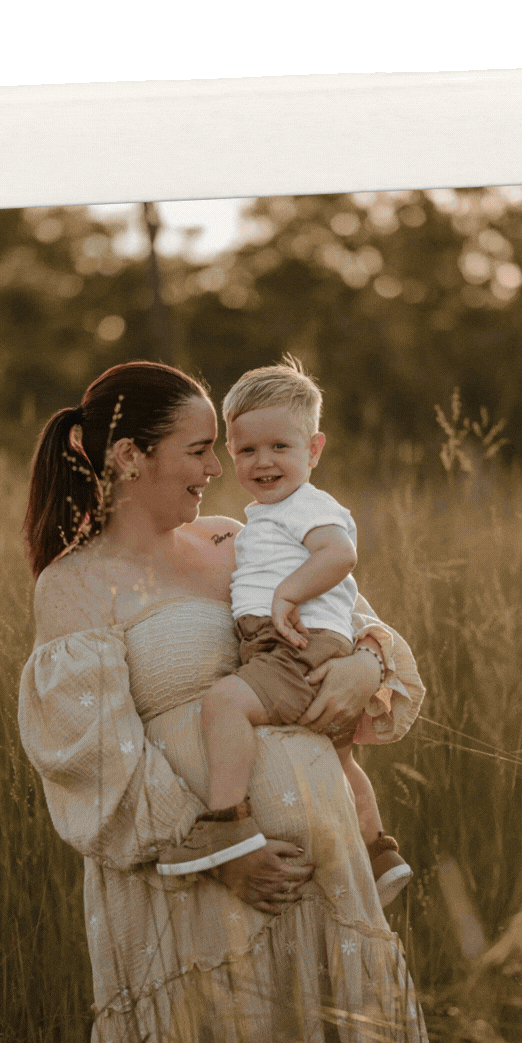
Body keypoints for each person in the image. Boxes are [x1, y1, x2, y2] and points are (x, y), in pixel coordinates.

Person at [18, 360, 434, 1043]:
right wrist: (218, 849)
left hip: (325, 879)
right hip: (201, 890)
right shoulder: (75, 585)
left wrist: (364, 669)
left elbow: (359, 625)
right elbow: (96, 759)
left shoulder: (243, 539)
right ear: (131, 457)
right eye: (201, 451)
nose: (220, 471)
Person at [155, 359, 413, 907]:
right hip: (297, 645)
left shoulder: (308, 506)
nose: (263, 461)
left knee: (225, 703)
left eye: (281, 447)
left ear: (314, 451)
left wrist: (287, 594)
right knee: (341, 761)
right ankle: (378, 850)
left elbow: (341, 554)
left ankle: (226, 821)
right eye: (247, 450)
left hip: (296, 646)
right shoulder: (261, 519)